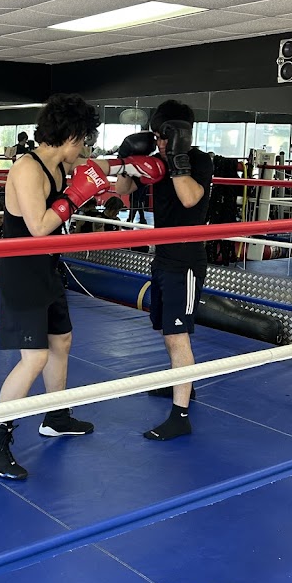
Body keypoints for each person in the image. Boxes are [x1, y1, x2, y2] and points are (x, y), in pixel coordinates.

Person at [0, 94, 167, 480]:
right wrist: (77, 194)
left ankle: (56, 415)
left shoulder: (65, 161)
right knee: (34, 359)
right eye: (83, 140)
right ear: (71, 136)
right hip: (22, 271)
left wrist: (132, 166)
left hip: (48, 266)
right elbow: (40, 226)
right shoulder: (27, 170)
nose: (85, 149)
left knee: (61, 342)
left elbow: (112, 180)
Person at [115, 100, 213, 441]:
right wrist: (127, 162)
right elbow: (121, 192)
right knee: (165, 329)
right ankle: (182, 384)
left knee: (177, 333)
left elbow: (189, 199)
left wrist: (176, 159)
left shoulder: (199, 160)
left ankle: (180, 414)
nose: (158, 142)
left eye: (163, 136)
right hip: (163, 258)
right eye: (155, 136)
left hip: (185, 260)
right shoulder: (156, 160)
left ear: (180, 134)